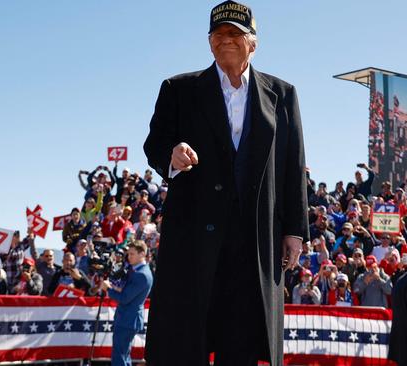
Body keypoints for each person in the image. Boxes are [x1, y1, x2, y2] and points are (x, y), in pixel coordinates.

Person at [142, 2, 307, 365]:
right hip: (194, 238)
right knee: (187, 338)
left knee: (244, 338)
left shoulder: (283, 95)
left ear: (253, 42)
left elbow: (294, 167)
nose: (225, 40)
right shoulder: (178, 89)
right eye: (218, 35)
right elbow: (154, 143)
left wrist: (295, 230)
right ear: (209, 42)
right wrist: (172, 153)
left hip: (255, 239)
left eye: (234, 33)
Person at [100, 241, 153, 366]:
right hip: (127, 318)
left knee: (119, 355)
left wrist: (108, 289)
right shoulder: (137, 271)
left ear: (142, 254)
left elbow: (124, 298)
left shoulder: (142, 275)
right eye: (128, 254)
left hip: (128, 319)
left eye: (132, 254)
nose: (129, 257)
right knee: (123, 354)